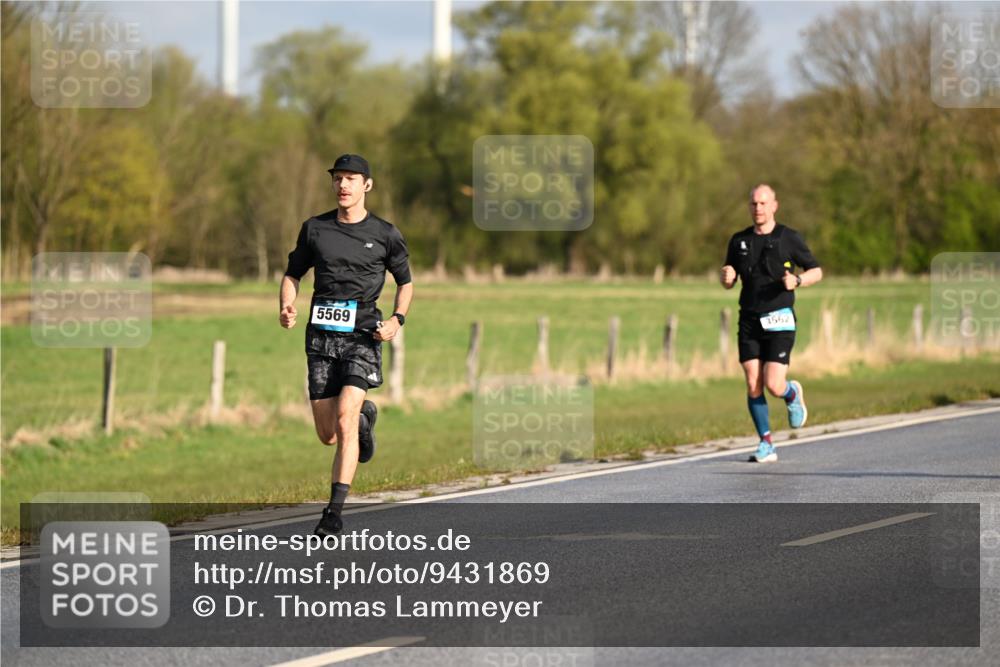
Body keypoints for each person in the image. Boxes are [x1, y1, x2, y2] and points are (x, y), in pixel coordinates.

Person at [279, 154, 413, 534]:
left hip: (363, 337)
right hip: (321, 338)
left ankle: (334, 513)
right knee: (328, 434)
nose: (343, 185)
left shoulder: (385, 233)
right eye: (338, 178)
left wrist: (396, 320)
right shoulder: (315, 229)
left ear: (367, 185)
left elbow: (405, 283)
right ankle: (365, 419)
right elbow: (292, 274)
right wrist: (286, 306)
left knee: (344, 417)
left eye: (351, 179)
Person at [720, 184, 822, 463]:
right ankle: (766, 443)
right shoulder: (739, 241)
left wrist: (798, 280)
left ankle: (791, 394)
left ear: (774, 206)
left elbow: (816, 271)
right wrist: (727, 278)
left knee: (773, 384)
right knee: (753, 383)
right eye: (754, 203)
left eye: (763, 203)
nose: (758, 208)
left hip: (779, 317)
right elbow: (730, 279)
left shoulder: (789, 238)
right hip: (749, 318)